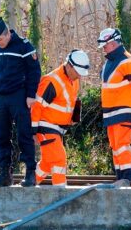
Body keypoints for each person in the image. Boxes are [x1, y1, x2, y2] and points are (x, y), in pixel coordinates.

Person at [0, 17, 41, 187]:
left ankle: (30, 173)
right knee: (1, 136)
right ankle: (5, 173)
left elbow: (34, 71)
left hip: (19, 95)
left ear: (7, 34)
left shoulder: (24, 45)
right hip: (1, 97)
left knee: (23, 134)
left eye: (0, 39)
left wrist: (31, 94)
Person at [31, 50, 90, 186]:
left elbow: (71, 102)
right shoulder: (52, 81)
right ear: (69, 66)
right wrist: (32, 132)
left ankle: (28, 186)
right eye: (78, 73)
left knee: (47, 163)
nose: (80, 77)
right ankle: (61, 193)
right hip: (46, 127)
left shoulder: (73, 80)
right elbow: (37, 107)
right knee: (59, 159)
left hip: (57, 129)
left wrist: (74, 118)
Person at [97, 28, 131, 183]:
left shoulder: (129, 62)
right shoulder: (109, 62)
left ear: (112, 44)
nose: (103, 49)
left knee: (122, 143)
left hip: (124, 110)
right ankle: (120, 175)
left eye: (105, 46)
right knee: (115, 144)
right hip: (111, 112)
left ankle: (127, 175)